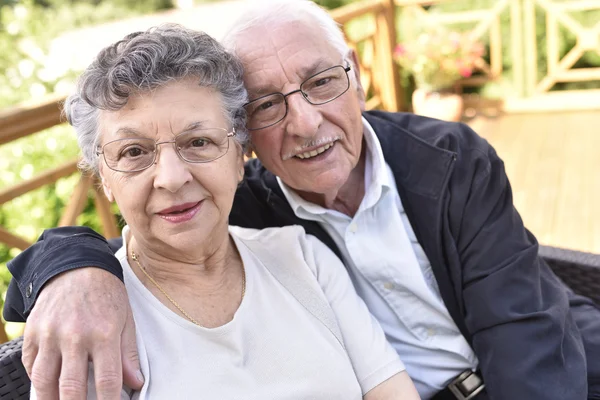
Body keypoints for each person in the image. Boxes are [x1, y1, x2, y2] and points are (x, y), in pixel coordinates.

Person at [4, 0, 600, 399]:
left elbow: (524, 335)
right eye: (268, 103)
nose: (307, 124)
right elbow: (146, 231)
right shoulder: (242, 205)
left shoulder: (447, 158)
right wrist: (70, 270)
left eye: (321, 82)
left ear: (357, 74)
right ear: (246, 138)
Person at [24, 24, 419, 399]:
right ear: (104, 179)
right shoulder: (93, 321)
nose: (171, 178)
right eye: (134, 152)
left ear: (239, 155)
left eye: (198, 141)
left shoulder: (304, 257)